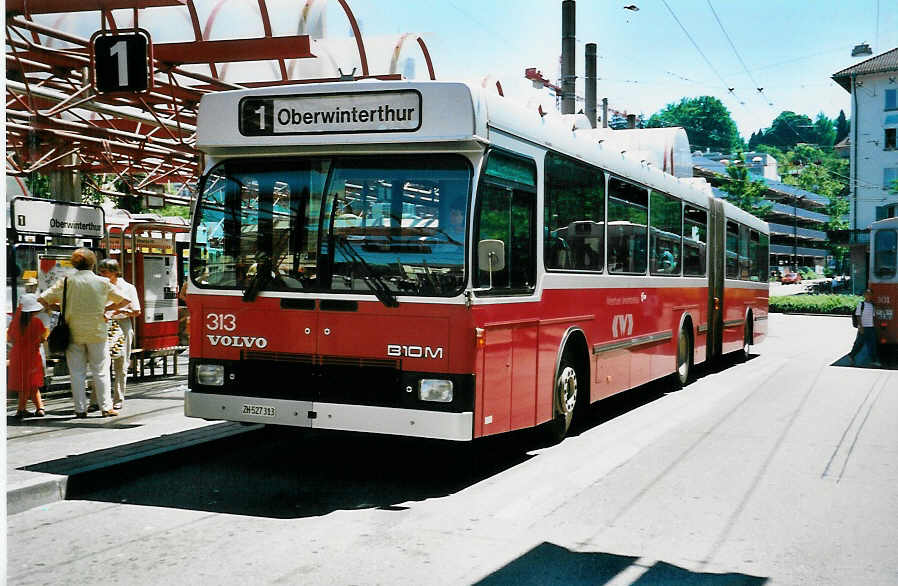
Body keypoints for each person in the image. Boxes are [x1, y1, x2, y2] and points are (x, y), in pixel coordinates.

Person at [38, 248, 128, 418]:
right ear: (93, 263)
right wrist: (106, 309)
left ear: (74, 264)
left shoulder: (65, 282)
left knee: (77, 372)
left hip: (72, 333)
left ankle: (80, 409)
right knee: (100, 370)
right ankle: (106, 407)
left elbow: (42, 299)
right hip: (97, 331)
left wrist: (60, 307)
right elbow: (124, 300)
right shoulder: (103, 282)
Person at [98, 259, 141, 410]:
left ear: (115, 272)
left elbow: (136, 311)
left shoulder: (128, 288)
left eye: (105, 272)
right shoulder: (101, 286)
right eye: (100, 272)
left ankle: (118, 398)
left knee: (121, 364)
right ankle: (98, 400)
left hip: (122, 325)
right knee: (101, 363)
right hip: (103, 324)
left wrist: (120, 311)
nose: (102, 275)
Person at [8, 294, 49, 418]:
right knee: (32, 383)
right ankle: (26, 409)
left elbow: (10, 338)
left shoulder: (15, 323)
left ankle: (36, 407)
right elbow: (43, 338)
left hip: (17, 355)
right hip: (32, 356)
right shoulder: (37, 322)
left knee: (24, 383)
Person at [849, 288, 880, 367]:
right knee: (859, 344)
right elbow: (858, 315)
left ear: (872, 295)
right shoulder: (861, 304)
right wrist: (860, 326)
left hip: (871, 327)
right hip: (863, 327)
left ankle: (873, 360)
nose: (868, 295)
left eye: (870, 294)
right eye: (867, 294)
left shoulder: (872, 305)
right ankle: (851, 355)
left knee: (872, 345)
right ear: (864, 295)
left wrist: (874, 326)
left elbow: (873, 317)